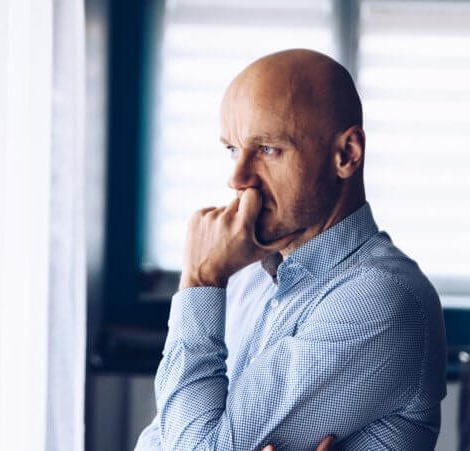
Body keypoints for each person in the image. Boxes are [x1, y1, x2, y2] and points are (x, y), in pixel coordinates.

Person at [134, 49, 447, 450]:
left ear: (347, 155)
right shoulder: (249, 274)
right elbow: (160, 440)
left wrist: (200, 280)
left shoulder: (382, 298)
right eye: (232, 149)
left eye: (267, 149)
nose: (237, 178)